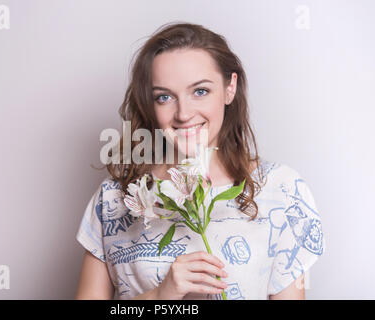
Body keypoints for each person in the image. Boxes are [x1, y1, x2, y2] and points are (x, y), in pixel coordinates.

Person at [74, 22, 325, 300]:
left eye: (200, 91)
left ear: (230, 87)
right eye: (164, 97)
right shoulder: (114, 199)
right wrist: (160, 296)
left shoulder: (281, 189)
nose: (183, 113)